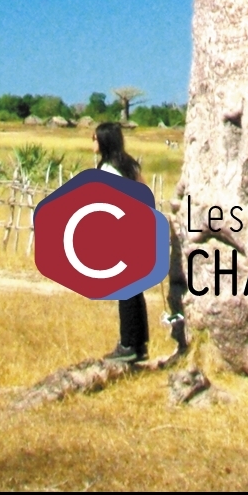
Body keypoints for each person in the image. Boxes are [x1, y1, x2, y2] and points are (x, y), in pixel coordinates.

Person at [95, 120, 150, 361]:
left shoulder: (107, 169)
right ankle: (140, 343)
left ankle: (128, 343)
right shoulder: (130, 165)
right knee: (135, 290)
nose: (92, 143)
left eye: (95, 138)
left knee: (124, 289)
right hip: (138, 228)